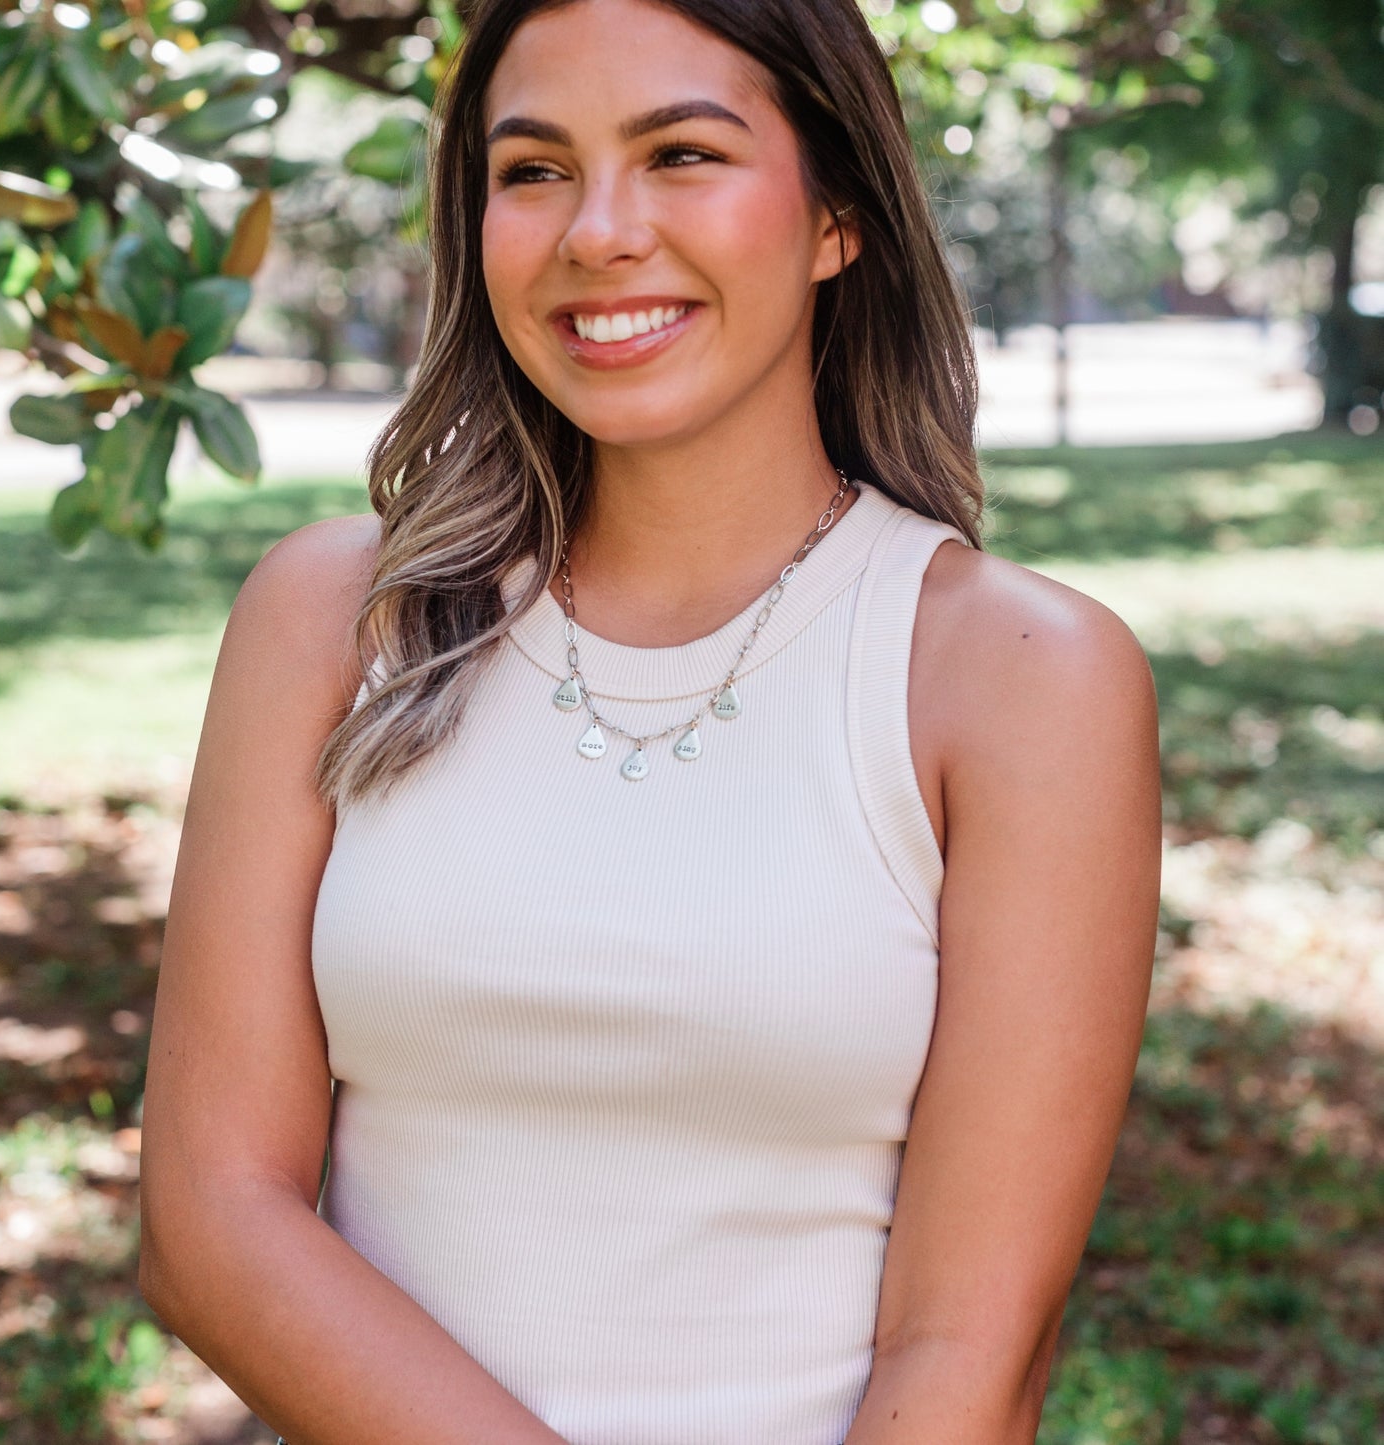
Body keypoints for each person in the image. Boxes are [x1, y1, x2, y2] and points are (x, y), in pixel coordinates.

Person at [138, 0, 1161, 1441]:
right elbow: (210, 1220)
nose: (596, 231)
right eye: (533, 169)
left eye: (681, 154)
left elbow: (970, 1348)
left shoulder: (1017, 676)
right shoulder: (331, 617)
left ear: (836, 218)